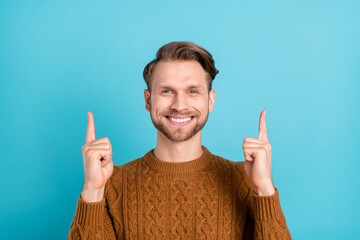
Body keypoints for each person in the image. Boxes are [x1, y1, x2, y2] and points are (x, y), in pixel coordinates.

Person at [67, 41, 292, 239]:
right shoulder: (111, 184)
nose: (180, 105)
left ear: (210, 101)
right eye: (167, 91)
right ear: (148, 100)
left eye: (192, 91)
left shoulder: (246, 180)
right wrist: (92, 191)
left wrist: (265, 190)